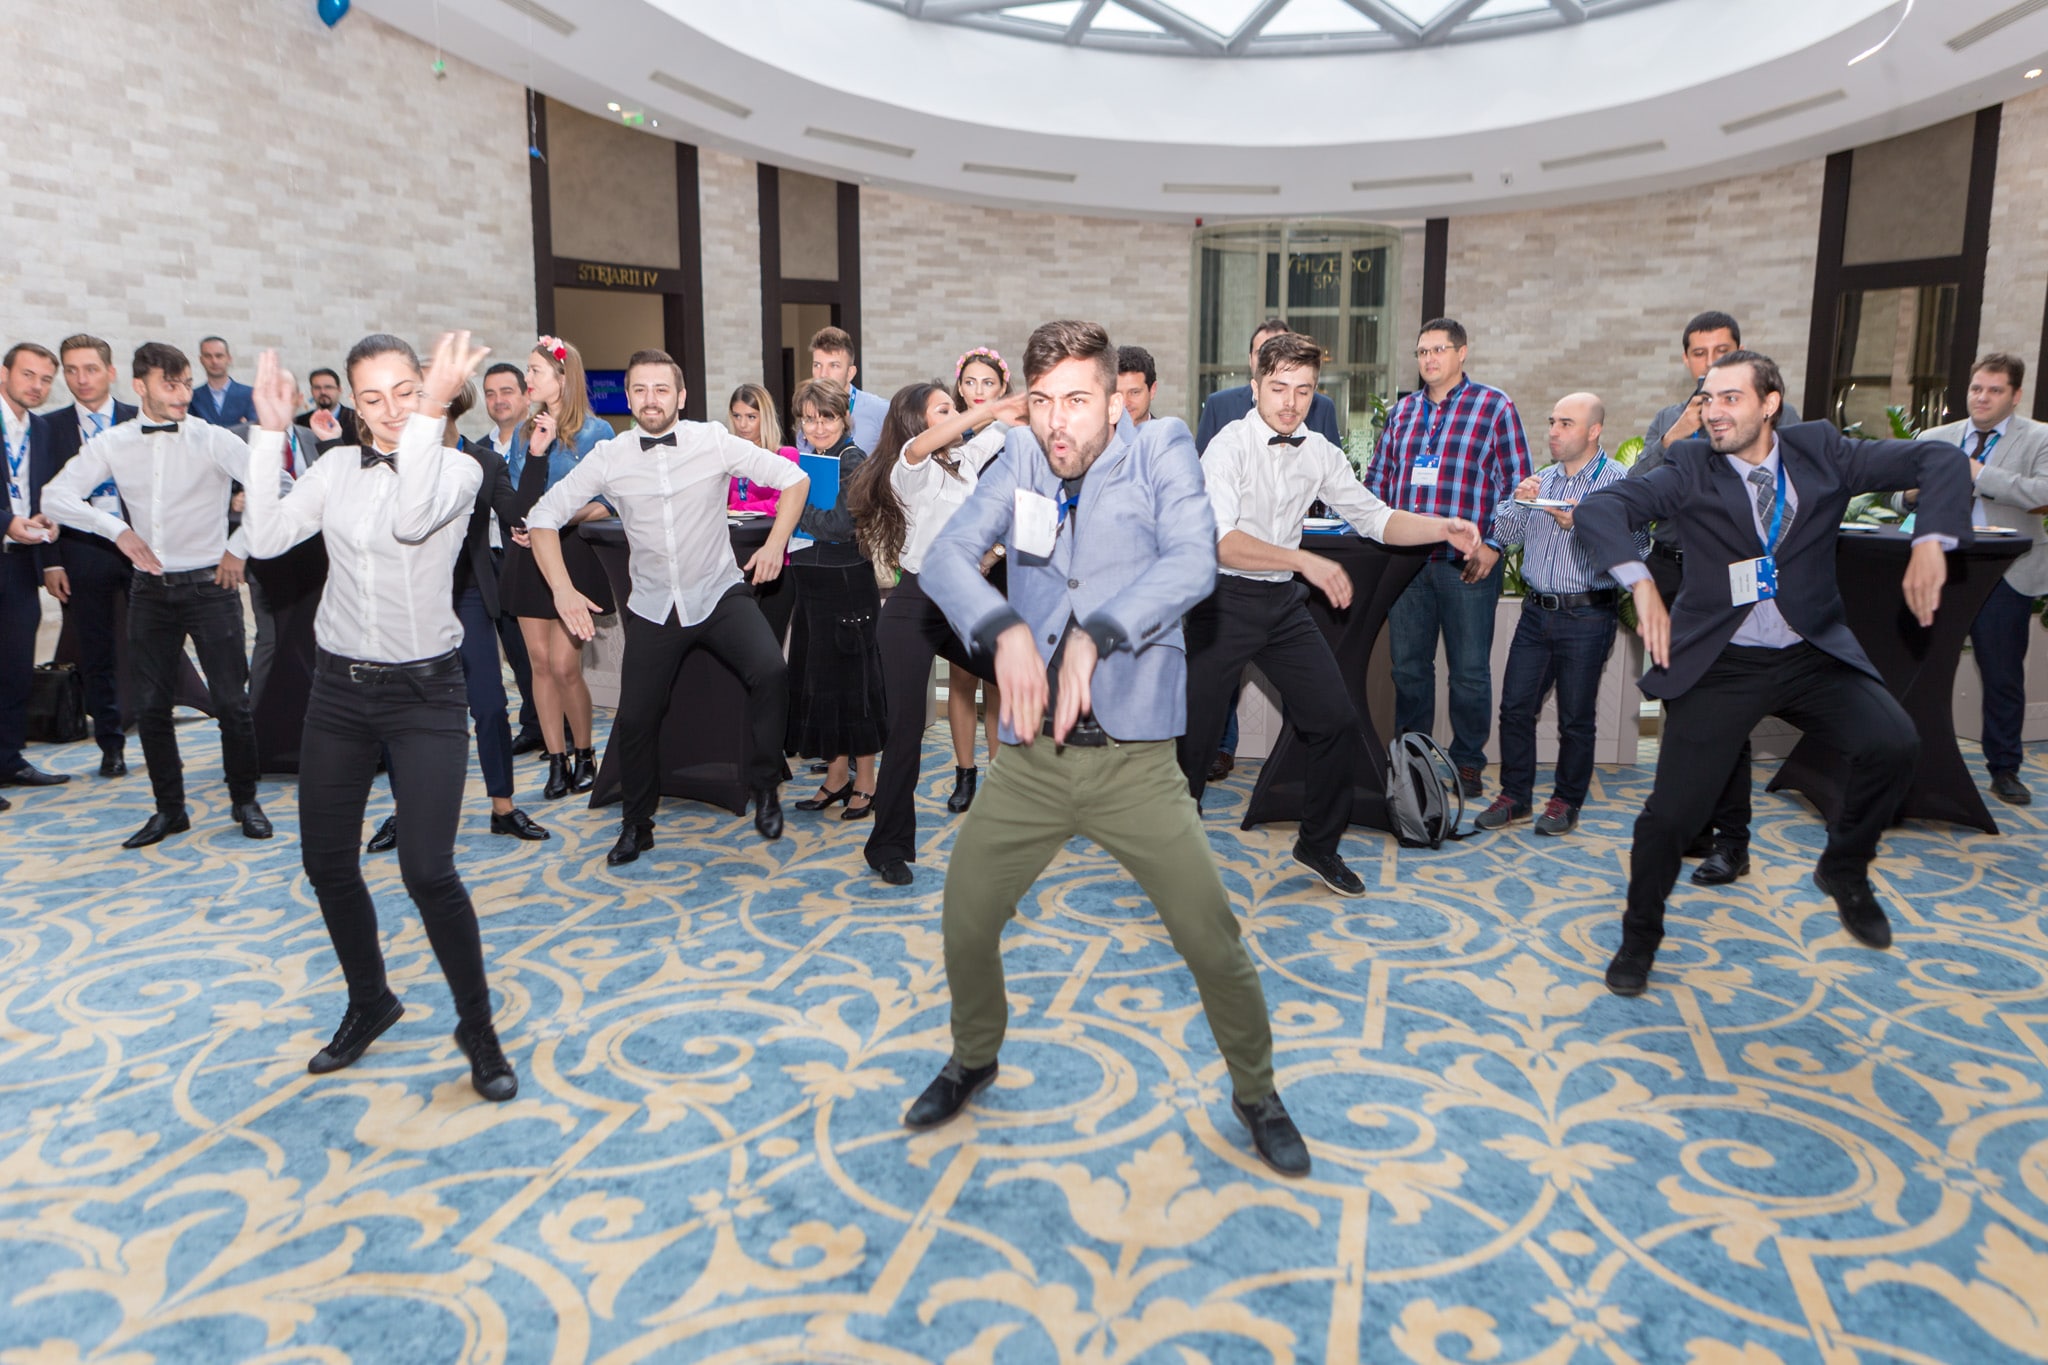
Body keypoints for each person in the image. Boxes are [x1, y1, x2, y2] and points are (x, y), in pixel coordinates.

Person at [910, 319, 1310, 1178]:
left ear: (1115, 400)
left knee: (1211, 939)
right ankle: (975, 1054)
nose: (1058, 421)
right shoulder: (1020, 456)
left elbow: (1193, 563)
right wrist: (1000, 626)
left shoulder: (1160, 449)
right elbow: (944, 559)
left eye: (1078, 401)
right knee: (965, 918)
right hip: (1031, 763)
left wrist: (1098, 632)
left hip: (1135, 763)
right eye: (1043, 401)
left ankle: (1257, 1091)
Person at [1575, 350, 1972, 998]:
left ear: (1770, 403)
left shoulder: (1822, 451)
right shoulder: (1691, 465)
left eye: (1730, 398)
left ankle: (1844, 866)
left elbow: (1940, 459)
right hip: (1723, 661)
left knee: (1895, 742)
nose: (1714, 411)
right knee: (1670, 818)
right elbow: (1602, 509)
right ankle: (1639, 936)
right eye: (1707, 398)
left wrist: (1931, 539)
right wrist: (1641, 583)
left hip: (1809, 652)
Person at [239, 332, 517, 1102]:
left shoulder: (460, 468)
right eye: (373, 397)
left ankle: (478, 1027)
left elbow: (411, 516)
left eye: (406, 391)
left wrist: (432, 411)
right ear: (353, 407)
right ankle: (370, 999)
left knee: (427, 869)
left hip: (426, 695)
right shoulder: (334, 469)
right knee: (326, 862)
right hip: (338, 692)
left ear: (428, 390)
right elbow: (264, 538)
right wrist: (268, 435)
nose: (391, 410)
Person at [1181, 331, 1479, 896]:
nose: (1290, 402)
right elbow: (1219, 542)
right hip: (1222, 601)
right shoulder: (1227, 446)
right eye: (1279, 388)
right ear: (1255, 388)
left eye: (1304, 390)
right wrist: (1302, 560)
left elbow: (1376, 518)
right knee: (1194, 739)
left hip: (1281, 605)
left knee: (1337, 722)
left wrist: (1441, 527)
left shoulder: (1318, 450)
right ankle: (1172, 842)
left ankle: (1318, 845)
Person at [527, 349, 807, 861]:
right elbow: (543, 516)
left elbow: (795, 479)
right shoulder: (610, 456)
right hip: (654, 606)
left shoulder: (712, 440)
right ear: (628, 397)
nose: (650, 399)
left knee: (770, 671)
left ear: (681, 397)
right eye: (639, 390)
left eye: (661, 389)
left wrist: (774, 545)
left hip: (719, 593)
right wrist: (562, 590)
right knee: (636, 719)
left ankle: (765, 783)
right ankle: (637, 824)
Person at [43, 341, 280, 848]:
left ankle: (245, 800)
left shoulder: (212, 438)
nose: (182, 394)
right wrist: (116, 531)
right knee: (151, 708)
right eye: (170, 384)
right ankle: (170, 810)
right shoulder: (113, 442)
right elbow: (54, 497)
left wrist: (239, 547)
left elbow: (277, 485)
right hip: (149, 590)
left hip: (212, 587)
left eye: (187, 384)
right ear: (140, 386)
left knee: (231, 704)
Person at [1634, 311, 1800, 884]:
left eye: (1721, 351)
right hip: (1671, 574)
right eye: (1699, 353)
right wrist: (1677, 435)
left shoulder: (1765, 415)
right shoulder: (1669, 417)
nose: (1709, 362)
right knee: (1681, 707)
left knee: (1726, 708)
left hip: (1734, 581)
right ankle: (1695, 824)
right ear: (1687, 360)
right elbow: (1636, 485)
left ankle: (1733, 841)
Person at [363, 376, 550, 853]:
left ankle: (503, 808)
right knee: (404, 710)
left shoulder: (484, 461)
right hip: (408, 599)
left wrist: (536, 457)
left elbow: (516, 514)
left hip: (467, 594)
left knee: (489, 704)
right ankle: (405, 811)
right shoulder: (398, 460)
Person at [849, 379, 1025, 886]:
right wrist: (988, 409)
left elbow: (1003, 428)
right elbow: (925, 444)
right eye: (943, 409)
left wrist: (1034, 404)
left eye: (954, 408)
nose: (955, 415)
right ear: (917, 421)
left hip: (963, 603)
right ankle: (887, 847)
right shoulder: (910, 468)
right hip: (915, 606)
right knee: (904, 734)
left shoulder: (964, 462)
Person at [1367, 317, 1531, 798]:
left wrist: (1495, 544)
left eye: (1439, 349)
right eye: (1422, 352)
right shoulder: (1401, 413)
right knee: (1408, 669)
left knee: (1470, 673)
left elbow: (1518, 486)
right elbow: (1377, 483)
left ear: (1462, 353)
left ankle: (1467, 763)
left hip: (1468, 566)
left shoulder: (1494, 407)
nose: (1429, 359)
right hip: (1405, 565)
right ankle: (1413, 761)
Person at [1475, 393, 1642, 838]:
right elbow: (1504, 534)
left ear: (1594, 431)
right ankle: (1516, 797)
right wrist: (1517, 500)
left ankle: (1566, 801)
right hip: (1535, 612)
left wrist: (1584, 523)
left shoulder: (1618, 483)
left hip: (1587, 616)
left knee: (1575, 718)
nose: (1553, 431)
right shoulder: (1542, 479)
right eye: (1552, 421)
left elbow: (1639, 549)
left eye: (1566, 423)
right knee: (1515, 708)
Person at [1893, 353, 2048, 806]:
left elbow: (2042, 492)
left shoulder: (2039, 437)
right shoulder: (1935, 437)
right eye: (1976, 388)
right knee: (1920, 666)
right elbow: (1896, 497)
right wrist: (1912, 493)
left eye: (1995, 390)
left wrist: (1980, 474)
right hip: (1939, 565)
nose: (1982, 397)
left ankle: (2005, 769)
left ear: (2015, 396)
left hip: (2005, 572)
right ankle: (1908, 756)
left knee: (2001, 673)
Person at [495, 336, 614, 800]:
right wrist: (525, 522)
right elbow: (519, 493)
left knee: (565, 666)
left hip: (573, 553)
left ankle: (585, 753)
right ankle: (557, 760)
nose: (527, 379)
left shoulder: (597, 432)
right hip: (529, 554)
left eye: (535, 371)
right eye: (527, 370)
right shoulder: (526, 431)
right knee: (539, 665)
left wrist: (559, 517)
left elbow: (608, 502)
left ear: (563, 378)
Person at [785, 378, 886, 817]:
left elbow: (840, 526)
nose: (818, 427)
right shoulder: (811, 458)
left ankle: (867, 781)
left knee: (854, 686)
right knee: (824, 685)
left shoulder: (852, 458)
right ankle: (837, 776)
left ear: (844, 418)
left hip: (846, 585)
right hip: (813, 583)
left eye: (826, 417)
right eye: (809, 419)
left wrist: (791, 508)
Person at [43, 335, 142, 777]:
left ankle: (159, 738)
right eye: (71, 370)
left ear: (111, 372)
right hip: (82, 551)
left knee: (154, 647)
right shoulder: (51, 427)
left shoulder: (140, 418)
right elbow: (42, 496)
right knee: (96, 653)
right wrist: (51, 560)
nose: (81, 379)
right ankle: (110, 745)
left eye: (91, 369)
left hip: (141, 548)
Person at [939, 346, 1017, 811]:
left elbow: (1024, 503)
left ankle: (1001, 778)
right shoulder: (948, 434)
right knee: (962, 675)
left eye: (988, 383)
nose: (978, 390)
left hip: (1005, 567)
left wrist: (992, 554)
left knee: (998, 680)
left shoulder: (1015, 435)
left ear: (1002, 388)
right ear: (960, 387)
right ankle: (964, 774)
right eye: (970, 382)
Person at [1, 342, 67, 799]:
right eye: (28, 374)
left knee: (14, 670)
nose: (37, 386)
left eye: (45, 379)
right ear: (3, 373)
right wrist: (6, 522)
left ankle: (9, 761)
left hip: (20, 565)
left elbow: (42, 492)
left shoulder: (41, 430)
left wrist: (49, 521)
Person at [478, 361, 542, 754]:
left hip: (532, 558)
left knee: (544, 654)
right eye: (490, 393)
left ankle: (559, 726)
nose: (498, 400)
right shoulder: (477, 450)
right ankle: (534, 725)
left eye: (506, 391)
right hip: (491, 562)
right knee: (516, 652)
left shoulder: (540, 441)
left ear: (525, 395)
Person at [1194, 316, 1342, 454]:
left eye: (1280, 353)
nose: (1291, 402)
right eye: (1262, 353)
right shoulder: (1219, 406)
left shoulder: (1322, 409)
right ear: (1250, 359)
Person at [797, 327, 886, 454]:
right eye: (817, 365)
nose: (823, 374)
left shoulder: (880, 410)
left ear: (850, 373)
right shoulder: (807, 412)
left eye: (834, 366)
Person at [188, 336, 255, 427]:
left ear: (229, 358)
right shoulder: (192, 397)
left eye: (219, 356)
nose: (214, 361)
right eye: (208, 356)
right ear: (201, 360)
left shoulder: (250, 394)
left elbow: (255, 428)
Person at [294, 367, 357, 455]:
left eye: (328, 387)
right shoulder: (299, 422)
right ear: (311, 391)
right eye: (317, 388)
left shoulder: (358, 420)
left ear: (339, 390)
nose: (323, 392)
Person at [1117, 345, 1158, 426]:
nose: (1125, 403)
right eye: (1118, 394)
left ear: (1152, 390)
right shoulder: (1095, 433)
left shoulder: (1167, 434)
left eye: (1135, 392)